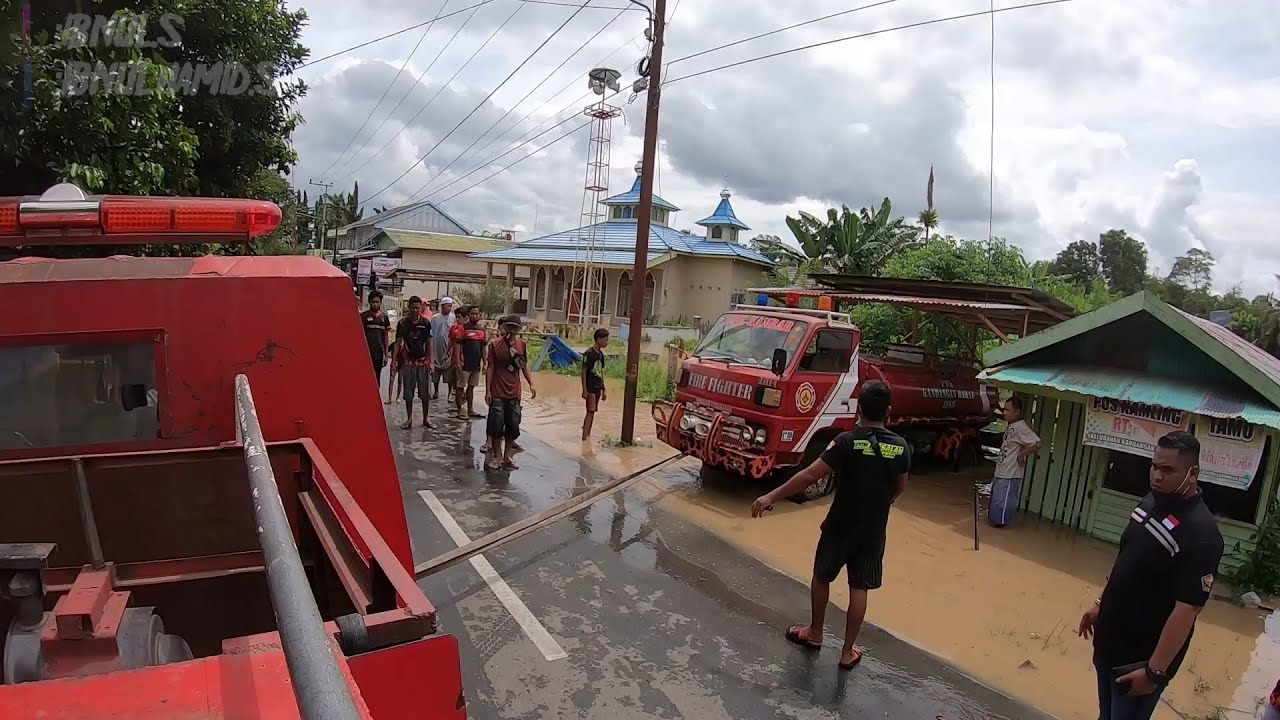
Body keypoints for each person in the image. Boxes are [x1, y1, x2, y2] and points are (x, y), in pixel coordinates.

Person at [750, 380, 910, 670]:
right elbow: (899, 487)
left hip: (839, 525)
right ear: (889, 411)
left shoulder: (846, 442)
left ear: (859, 408)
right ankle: (848, 651)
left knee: (822, 577)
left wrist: (771, 495)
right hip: (873, 530)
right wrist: (880, 505)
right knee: (859, 587)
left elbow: (811, 475)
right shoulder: (901, 448)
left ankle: (815, 632)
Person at [1078, 431, 1224, 720]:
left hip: (1139, 661)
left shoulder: (1201, 535)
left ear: (1193, 473)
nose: (1157, 476)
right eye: (1154, 466)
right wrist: (1100, 603)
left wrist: (1154, 672)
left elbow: (1186, 611)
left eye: (1167, 470)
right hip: (1110, 641)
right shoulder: (1151, 502)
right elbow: (1127, 561)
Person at [485, 315, 535, 470]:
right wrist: (488, 390)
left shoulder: (522, 345)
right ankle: (497, 456)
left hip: (514, 392)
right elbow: (490, 367)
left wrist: (531, 383)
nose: (512, 330)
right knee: (496, 425)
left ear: (519, 329)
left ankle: (507, 456)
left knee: (512, 426)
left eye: (515, 327)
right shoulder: (495, 345)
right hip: (498, 391)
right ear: (504, 327)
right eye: (509, 326)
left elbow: (524, 366)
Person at [988, 397, 1042, 527]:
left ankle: (1000, 533)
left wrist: (1021, 455)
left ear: (1017, 412)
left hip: (1010, 474)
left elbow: (1038, 443)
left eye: (1008, 410)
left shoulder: (1021, 427)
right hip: (1002, 471)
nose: (1005, 413)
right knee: (995, 504)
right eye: (1004, 409)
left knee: (1002, 507)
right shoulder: (1012, 426)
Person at [394, 296, 435, 430]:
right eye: (413, 307)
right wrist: (394, 360)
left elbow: (429, 343)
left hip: (423, 362)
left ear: (421, 308)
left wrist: (431, 361)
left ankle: (425, 418)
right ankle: (409, 418)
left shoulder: (426, 323)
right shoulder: (402, 324)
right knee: (408, 392)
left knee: (425, 393)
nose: (415, 310)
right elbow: (398, 342)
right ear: (409, 308)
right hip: (409, 361)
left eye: (418, 307)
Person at [451, 305, 487, 419]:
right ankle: (460, 410)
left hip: (475, 364)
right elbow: (457, 345)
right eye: (472, 314)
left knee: (471, 387)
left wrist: (485, 362)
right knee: (460, 387)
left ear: (480, 315)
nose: (475, 316)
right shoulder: (463, 328)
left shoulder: (482, 330)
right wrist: (457, 361)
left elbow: (483, 348)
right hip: (464, 363)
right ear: (468, 315)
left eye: (477, 313)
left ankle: (470, 409)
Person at [581, 328, 609, 441]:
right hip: (590, 387)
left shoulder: (601, 355)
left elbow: (600, 372)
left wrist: (604, 389)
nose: (607, 342)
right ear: (598, 339)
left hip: (597, 387)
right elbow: (583, 371)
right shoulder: (589, 354)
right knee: (590, 412)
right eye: (606, 340)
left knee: (592, 412)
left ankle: (588, 435)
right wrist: (584, 389)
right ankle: (585, 438)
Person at [359, 291, 390, 388]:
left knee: (377, 376)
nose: (375, 304)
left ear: (380, 302)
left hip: (378, 353)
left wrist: (386, 354)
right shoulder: (363, 316)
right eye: (373, 301)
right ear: (369, 302)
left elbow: (385, 336)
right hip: (366, 353)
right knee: (365, 376)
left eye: (377, 302)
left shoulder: (384, 318)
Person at [430, 297, 457, 402]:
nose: (449, 308)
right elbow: (431, 333)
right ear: (442, 306)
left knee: (449, 375)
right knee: (435, 374)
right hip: (436, 348)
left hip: (448, 349)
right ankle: (436, 391)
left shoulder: (453, 318)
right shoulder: (435, 318)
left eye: (450, 306)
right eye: (447, 306)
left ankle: (450, 393)